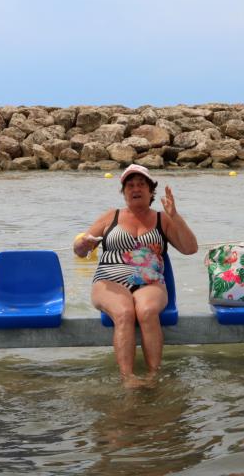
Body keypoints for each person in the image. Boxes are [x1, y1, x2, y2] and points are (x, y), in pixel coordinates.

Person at [74, 164, 198, 384]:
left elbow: (190, 249)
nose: (135, 189)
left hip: (150, 282)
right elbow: (81, 251)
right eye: (130, 185)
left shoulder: (163, 219)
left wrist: (175, 216)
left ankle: (153, 376)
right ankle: (128, 378)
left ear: (151, 191)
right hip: (109, 281)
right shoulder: (110, 217)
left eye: (141, 184)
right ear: (124, 192)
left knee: (148, 311)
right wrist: (83, 244)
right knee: (123, 312)